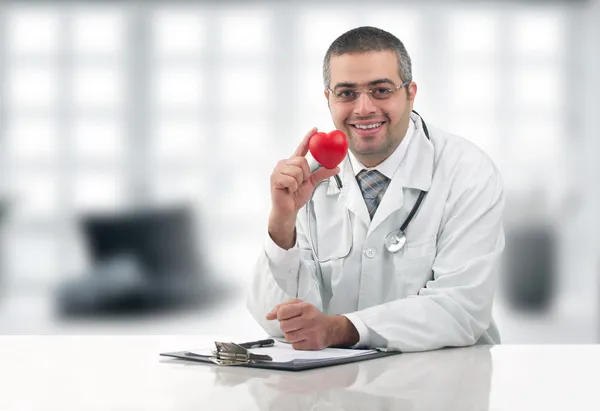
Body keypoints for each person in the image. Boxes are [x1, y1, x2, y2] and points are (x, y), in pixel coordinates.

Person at [247, 26, 505, 352]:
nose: (364, 108)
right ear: (328, 99)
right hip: (338, 390)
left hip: (443, 385)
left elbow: (462, 308)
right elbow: (278, 321)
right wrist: (281, 223)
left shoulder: (467, 172)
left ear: (411, 93)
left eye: (381, 90)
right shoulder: (306, 181)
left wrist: (340, 328)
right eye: (346, 93)